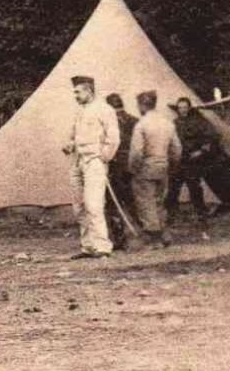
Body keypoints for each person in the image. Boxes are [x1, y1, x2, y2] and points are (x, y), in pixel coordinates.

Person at [61, 75, 119, 259]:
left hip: (94, 161)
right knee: (79, 207)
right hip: (77, 160)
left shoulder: (104, 109)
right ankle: (88, 246)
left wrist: (104, 157)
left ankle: (103, 246)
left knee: (94, 204)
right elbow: (72, 135)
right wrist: (69, 144)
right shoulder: (79, 112)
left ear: (88, 90)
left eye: (78, 92)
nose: (75, 95)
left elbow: (114, 138)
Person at [127, 90, 181, 247]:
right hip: (163, 165)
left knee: (146, 202)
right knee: (159, 200)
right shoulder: (168, 123)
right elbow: (177, 148)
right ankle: (165, 234)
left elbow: (136, 152)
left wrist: (133, 169)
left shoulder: (141, 125)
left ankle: (155, 237)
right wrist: (171, 164)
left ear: (142, 105)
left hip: (146, 167)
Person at [165, 98, 218, 218]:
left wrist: (201, 151)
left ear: (189, 108)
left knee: (194, 187)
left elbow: (212, 137)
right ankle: (171, 213)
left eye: (184, 107)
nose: (182, 110)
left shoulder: (198, 122)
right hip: (178, 160)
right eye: (180, 108)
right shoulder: (174, 123)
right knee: (173, 187)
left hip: (192, 160)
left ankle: (201, 212)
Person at [103, 93, 138, 250]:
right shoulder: (134, 121)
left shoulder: (108, 123)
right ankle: (143, 232)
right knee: (132, 200)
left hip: (115, 166)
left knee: (112, 203)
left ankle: (120, 238)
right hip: (131, 166)